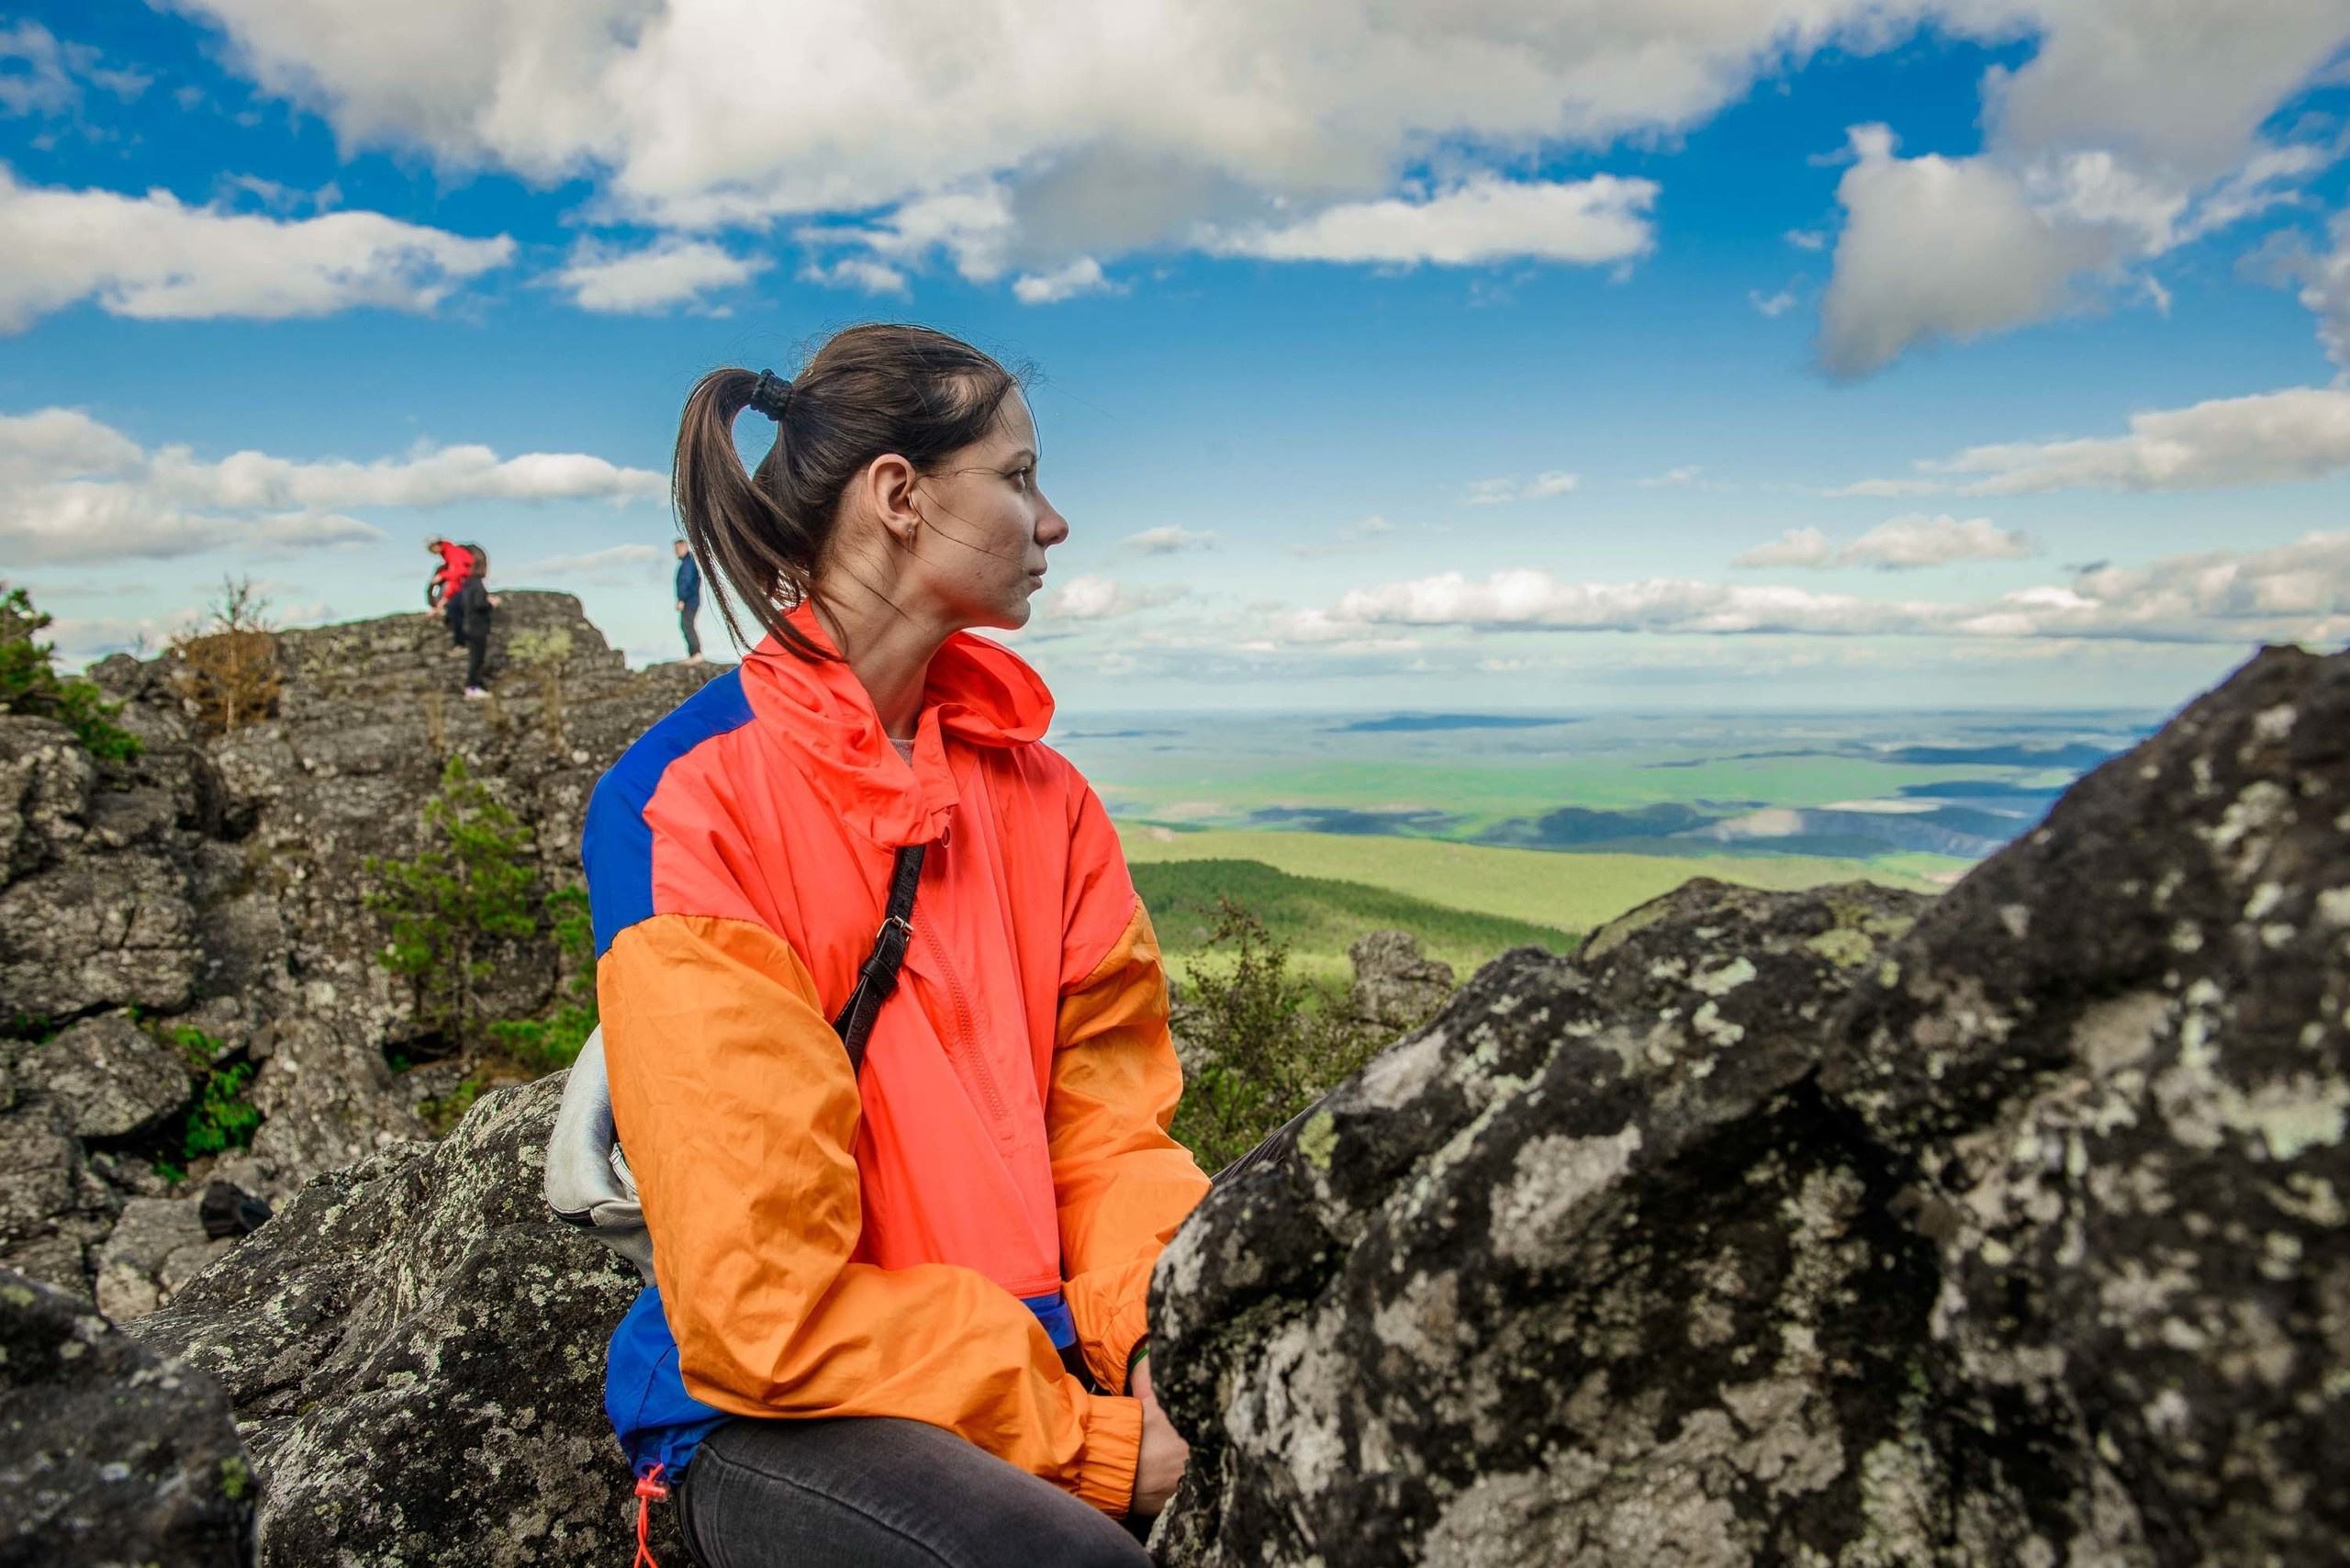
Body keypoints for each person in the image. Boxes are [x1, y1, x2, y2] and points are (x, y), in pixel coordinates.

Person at [583, 325, 1207, 1568]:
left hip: (1036, 1366)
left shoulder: (1048, 800)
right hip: (780, 1409)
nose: (1055, 521)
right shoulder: (686, 804)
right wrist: (1091, 1443)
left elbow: (1109, 1131)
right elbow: (762, 1305)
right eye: (1019, 477)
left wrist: (1157, 1346)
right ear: (900, 497)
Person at [454, 545, 498, 698]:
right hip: (477, 626)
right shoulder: (477, 583)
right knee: (477, 659)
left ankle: (473, 686)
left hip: (468, 625)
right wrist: (491, 603)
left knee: (475, 658)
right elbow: (479, 604)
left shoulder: (467, 583)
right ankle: (472, 688)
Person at [424, 536, 474, 653]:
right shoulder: (449, 553)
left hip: (467, 585)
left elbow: (458, 574)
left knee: (454, 610)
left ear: (436, 545)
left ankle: (461, 644)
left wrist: (443, 576)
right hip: (467, 585)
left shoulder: (452, 553)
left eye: (431, 549)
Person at [673, 538, 704, 663]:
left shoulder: (688, 563)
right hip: (691, 600)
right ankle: (694, 654)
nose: (676, 552)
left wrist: (682, 599)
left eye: (677, 549)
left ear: (684, 547)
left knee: (687, 625)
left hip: (690, 601)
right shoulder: (687, 563)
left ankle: (696, 653)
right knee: (686, 625)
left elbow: (686, 582)